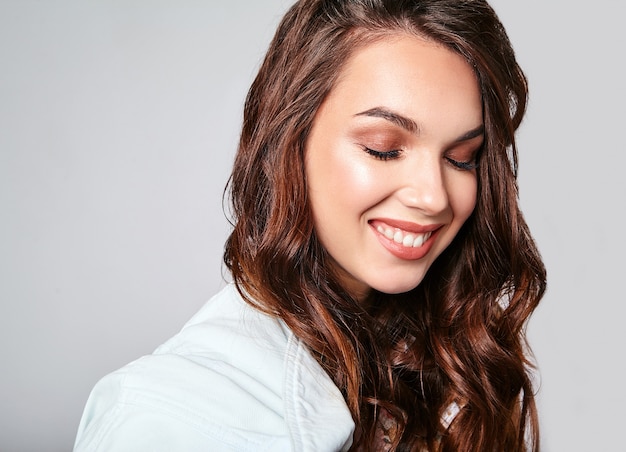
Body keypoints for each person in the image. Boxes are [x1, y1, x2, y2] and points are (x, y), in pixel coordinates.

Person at [74, 0, 546, 450]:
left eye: (461, 158)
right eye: (384, 148)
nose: (434, 197)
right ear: (289, 142)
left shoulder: (445, 363)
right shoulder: (175, 417)